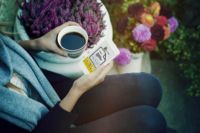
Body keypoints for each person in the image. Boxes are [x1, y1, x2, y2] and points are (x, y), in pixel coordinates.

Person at [0, 21, 173, 133]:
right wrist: (77, 90)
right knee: (151, 122)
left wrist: (37, 43)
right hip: (44, 127)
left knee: (149, 87)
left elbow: (5, 48)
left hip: (45, 87)